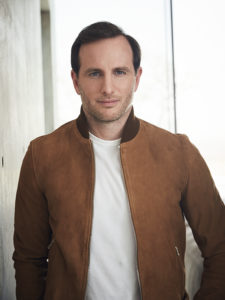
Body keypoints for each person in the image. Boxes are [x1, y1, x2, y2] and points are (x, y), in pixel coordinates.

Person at [13, 21, 225, 300]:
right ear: (76, 81)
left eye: (120, 72)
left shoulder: (179, 152)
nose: (108, 88)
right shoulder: (41, 155)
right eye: (94, 73)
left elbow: (220, 249)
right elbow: (29, 260)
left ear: (136, 78)